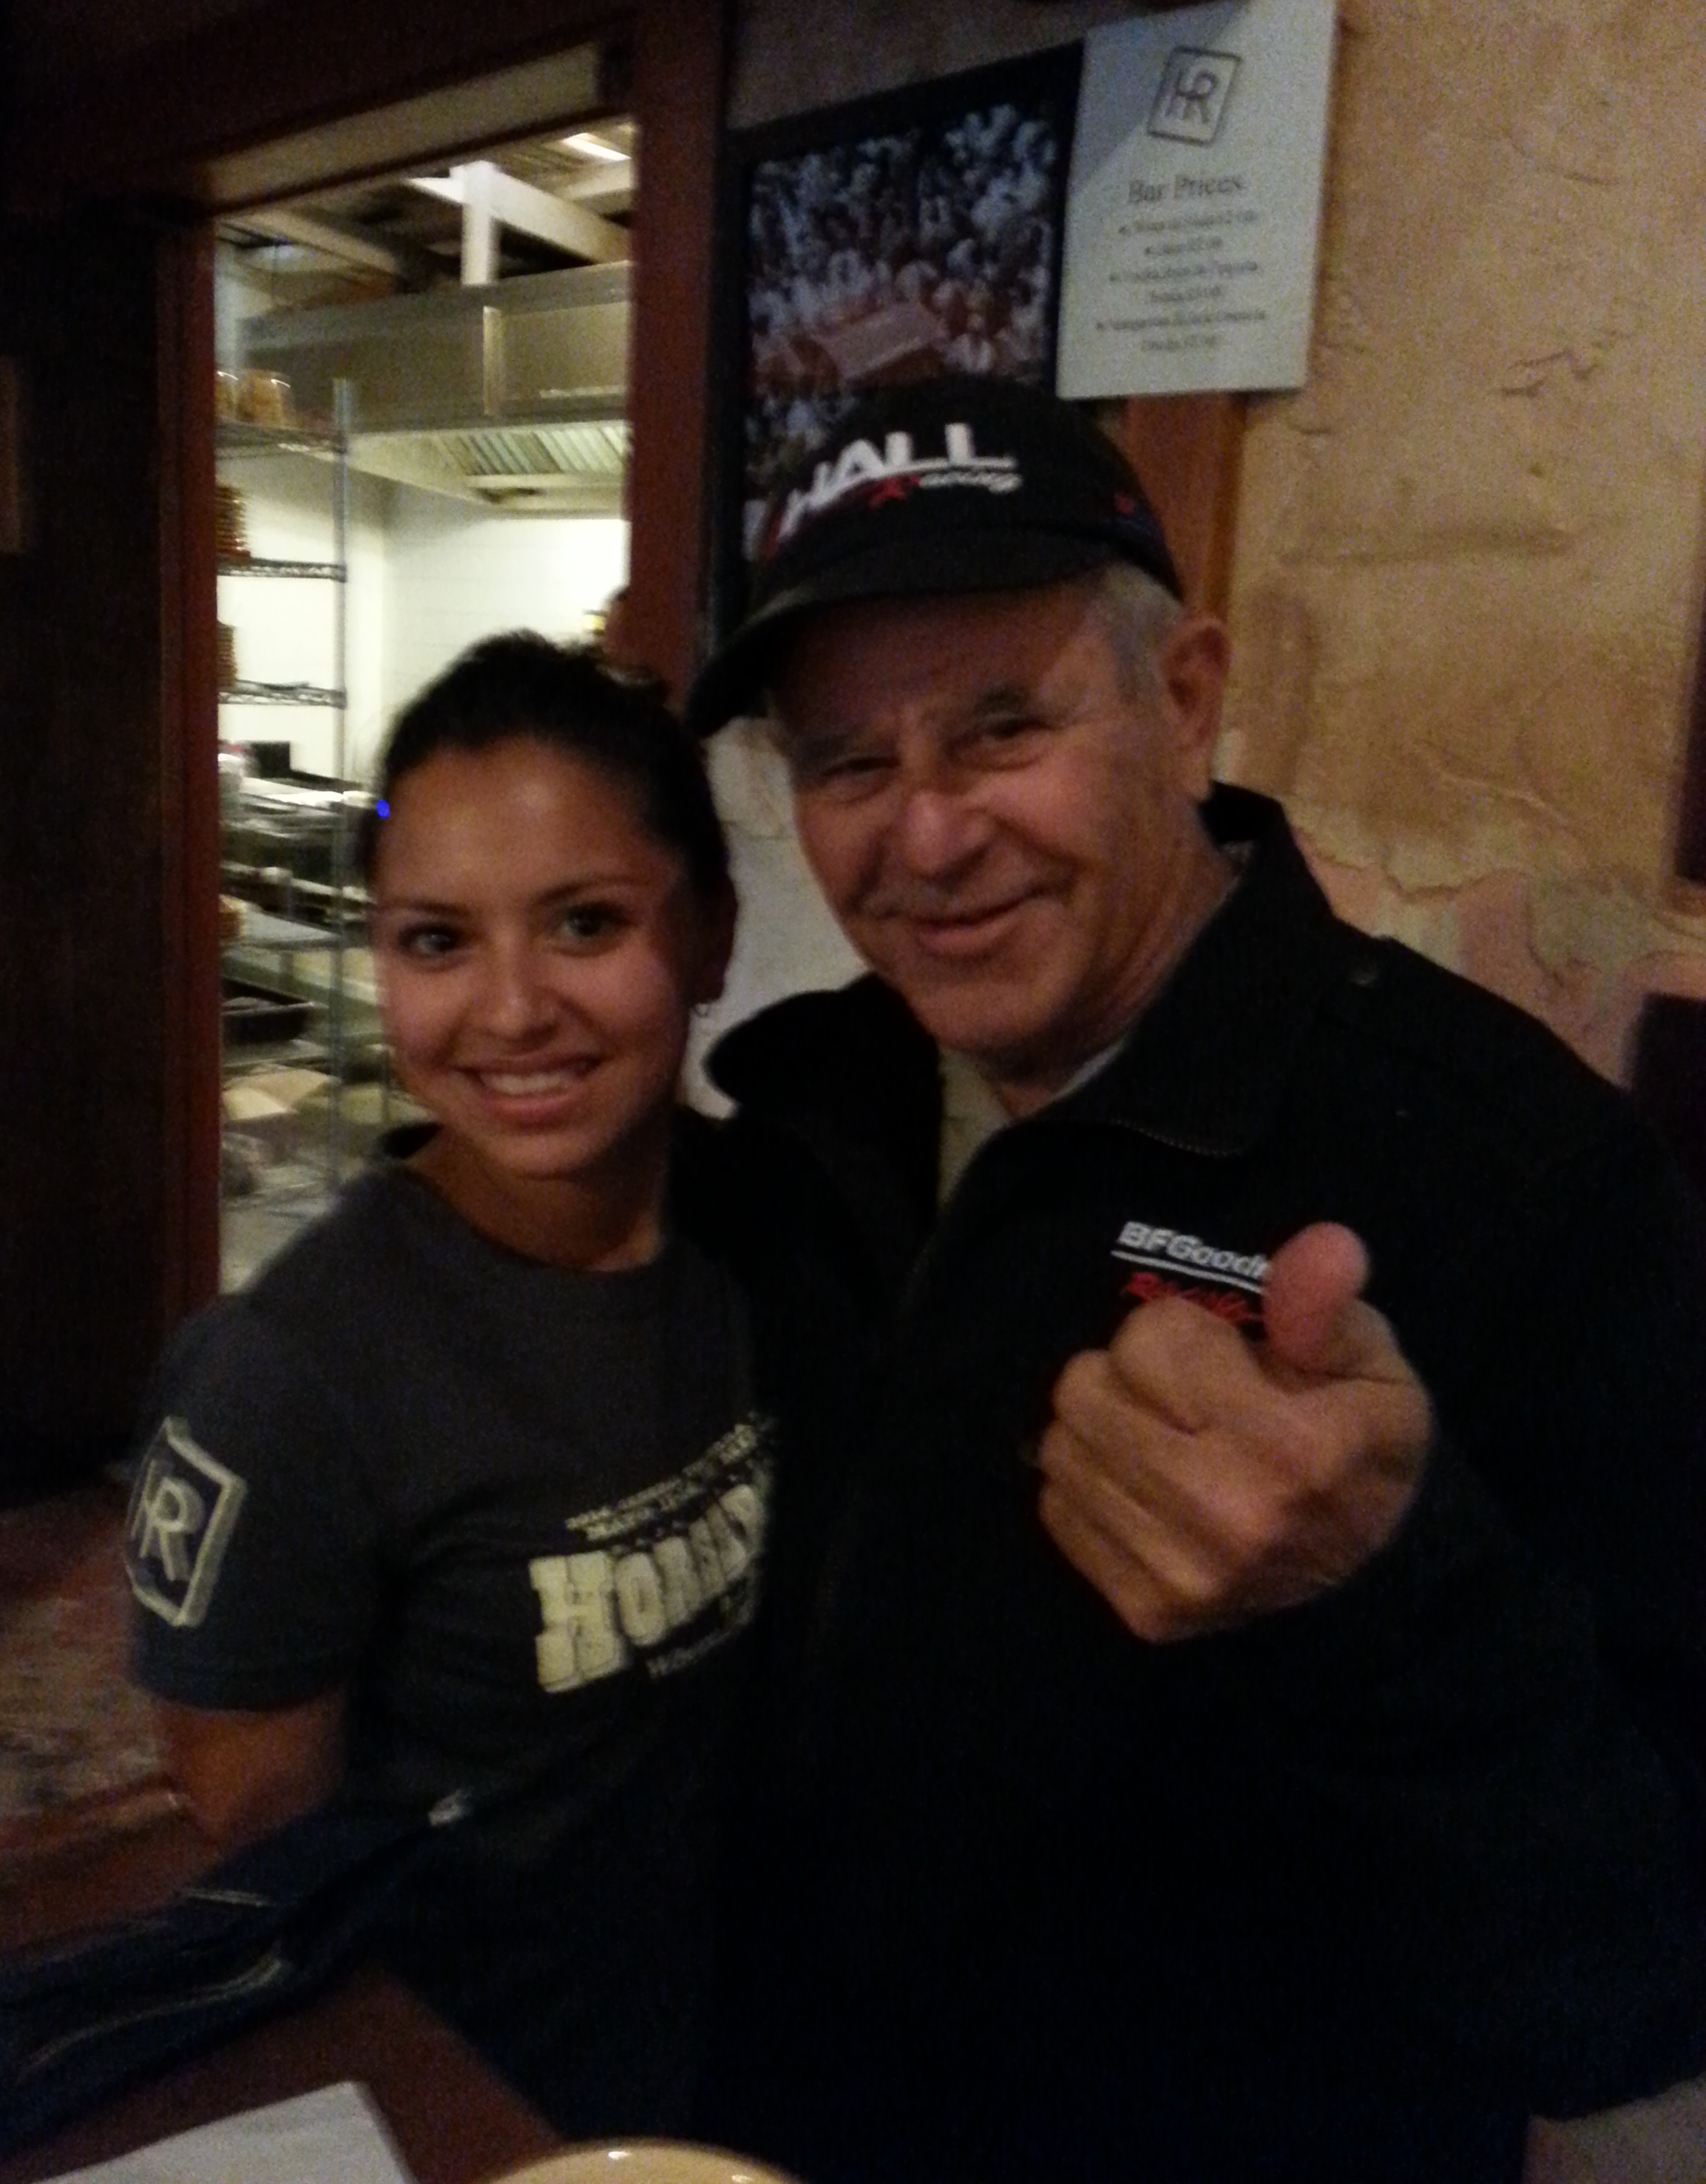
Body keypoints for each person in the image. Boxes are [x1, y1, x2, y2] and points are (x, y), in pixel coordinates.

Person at [688, 376, 1706, 2184]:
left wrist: (1381, 1595)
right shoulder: (815, 1104)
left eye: (1003, 727)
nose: (927, 837)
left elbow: (1644, 1975)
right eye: (849, 764)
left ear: (1183, 697)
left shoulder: (1524, 1175)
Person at [126, 634, 888, 2139]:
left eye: (585, 923)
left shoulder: (767, 1228)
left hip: (732, 2063)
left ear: (712, 936)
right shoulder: (291, 1378)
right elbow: (255, 1840)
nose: (512, 1008)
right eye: (436, 942)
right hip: (476, 2109)